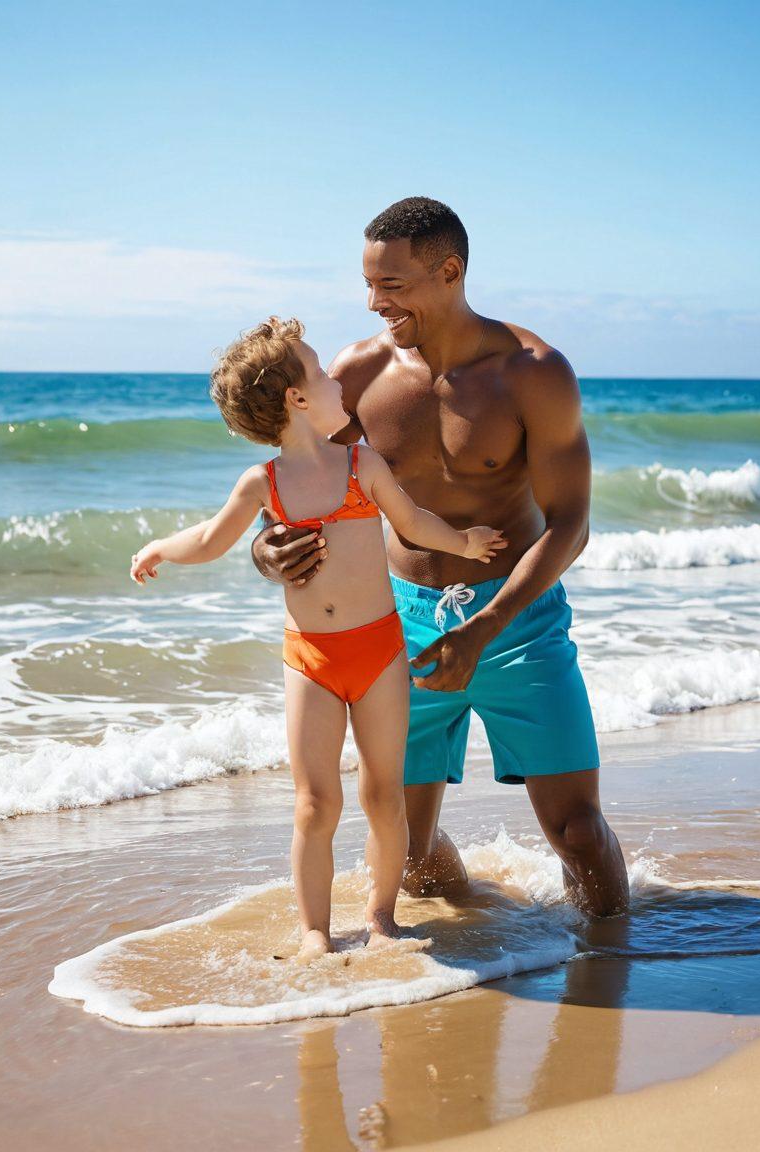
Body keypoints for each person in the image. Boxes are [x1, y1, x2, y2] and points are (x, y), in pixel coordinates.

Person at [253, 198, 629, 917]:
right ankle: (482, 946)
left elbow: (571, 524)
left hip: (517, 625)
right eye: (368, 285)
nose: (373, 304)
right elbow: (309, 488)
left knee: (578, 834)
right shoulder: (359, 373)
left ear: (449, 272)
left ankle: (611, 964)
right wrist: (268, 547)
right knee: (414, 858)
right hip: (400, 628)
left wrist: (485, 626)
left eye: (391, 286)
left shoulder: (534, 373)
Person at [130, 317, 506, 959]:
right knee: (313, 803)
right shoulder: (264, 483)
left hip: (380, 651)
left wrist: (465, 542)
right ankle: (314, 931)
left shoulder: (363, 464)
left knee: (383, 793)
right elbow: (212, 539)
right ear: (296, 400)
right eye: (322, 373)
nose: (337, 381)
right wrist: (161, 547)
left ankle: (382, 917)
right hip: (311, 659)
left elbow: (413, 524)